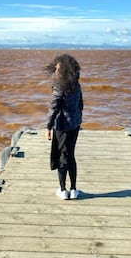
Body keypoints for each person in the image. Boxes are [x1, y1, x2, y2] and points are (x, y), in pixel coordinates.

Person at [45, 54, 83, 200]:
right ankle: (73, 189)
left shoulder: (59, 86)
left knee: (62, 157)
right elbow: (81, 105)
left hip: (62, 126)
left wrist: (48, 127)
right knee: (70, 155)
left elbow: (53, 108)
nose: (56, 71)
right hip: (74, 124)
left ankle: (63, 190)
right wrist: (77, 120)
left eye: (57, 68)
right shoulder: (76, 85)